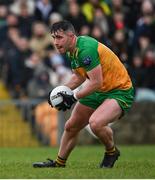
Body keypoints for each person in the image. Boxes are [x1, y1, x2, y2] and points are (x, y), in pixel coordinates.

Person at [33, 20, 134, 168]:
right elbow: (79, 77)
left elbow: (96, 82)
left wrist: (73, 97)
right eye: (54, 38)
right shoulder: (72, 50)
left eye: (59, 37)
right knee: (71, 126)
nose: (55, 42)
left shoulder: (85, 50)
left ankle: (111, 152)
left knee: (96, 123)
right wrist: (59, 91)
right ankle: (59, 163)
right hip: (99, 90)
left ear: (71, 36)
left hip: (119, 91)